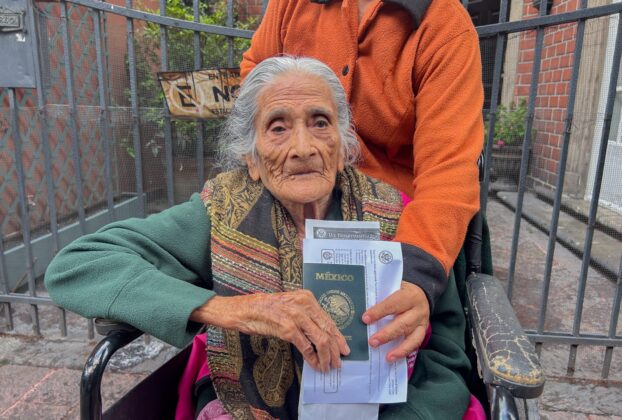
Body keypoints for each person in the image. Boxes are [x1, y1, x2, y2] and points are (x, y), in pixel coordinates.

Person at [45, 56, 473, 419]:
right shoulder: (223, 212)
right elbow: (78, 265)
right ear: (251, 158)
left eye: (320, 123)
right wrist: (235, 310)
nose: (303, 147)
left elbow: (446, 356)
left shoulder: (399, 217)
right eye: (278, 128)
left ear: (343, 147)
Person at [240, 0, 485, 365]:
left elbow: (448, 168)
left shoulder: (444, 25)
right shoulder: (290, 5)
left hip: (399, 228)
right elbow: (257, 81)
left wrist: (414, 276)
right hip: (294, 206)